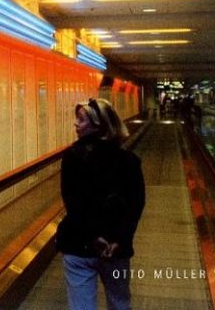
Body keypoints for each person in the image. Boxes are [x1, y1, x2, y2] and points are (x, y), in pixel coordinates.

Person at [56, 98, 145, 310]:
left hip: (79, 246)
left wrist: (94, 237)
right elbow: (136, 204)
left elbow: (73, 203)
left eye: (81, 119)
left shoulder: (73, 157)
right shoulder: (129, 160)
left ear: (98, 125)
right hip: (116, 248)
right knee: (119, 302)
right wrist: (120, 239)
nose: (76, 124)